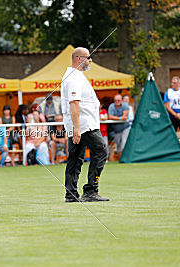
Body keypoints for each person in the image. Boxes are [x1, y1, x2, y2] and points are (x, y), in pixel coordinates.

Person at [61, 47, 109, 202]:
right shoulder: (74, 77)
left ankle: (71, 194)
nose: (91, 60)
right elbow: (74, 103)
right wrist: (77, 129)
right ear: (79, 59)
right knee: (101, 151)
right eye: (88, 57)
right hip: (83, 125)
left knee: (75, 158)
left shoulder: (75, 76)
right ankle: (90, 190)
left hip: (79, 124)